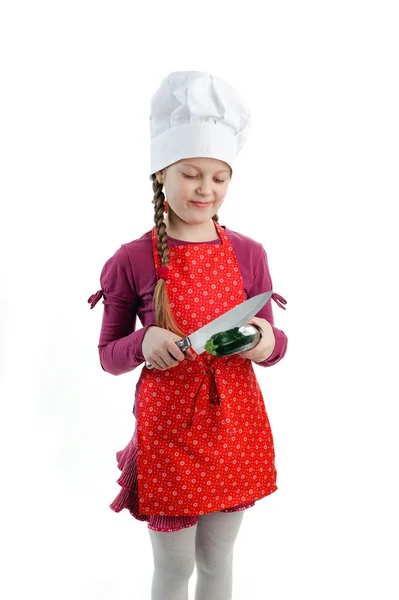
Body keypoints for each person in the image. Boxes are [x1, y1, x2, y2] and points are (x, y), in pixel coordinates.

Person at [88, 70, 288, 600]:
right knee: (175, 569)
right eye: (191, 174)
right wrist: (143, 344)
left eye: (218, 177)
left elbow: (276, 344)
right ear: (161, 174)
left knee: (218, 558)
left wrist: (265, 341)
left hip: (234, 427)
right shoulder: (131, 259)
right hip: (169, 432)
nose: (206, 189)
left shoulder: (249, 253)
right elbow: (109, 356)